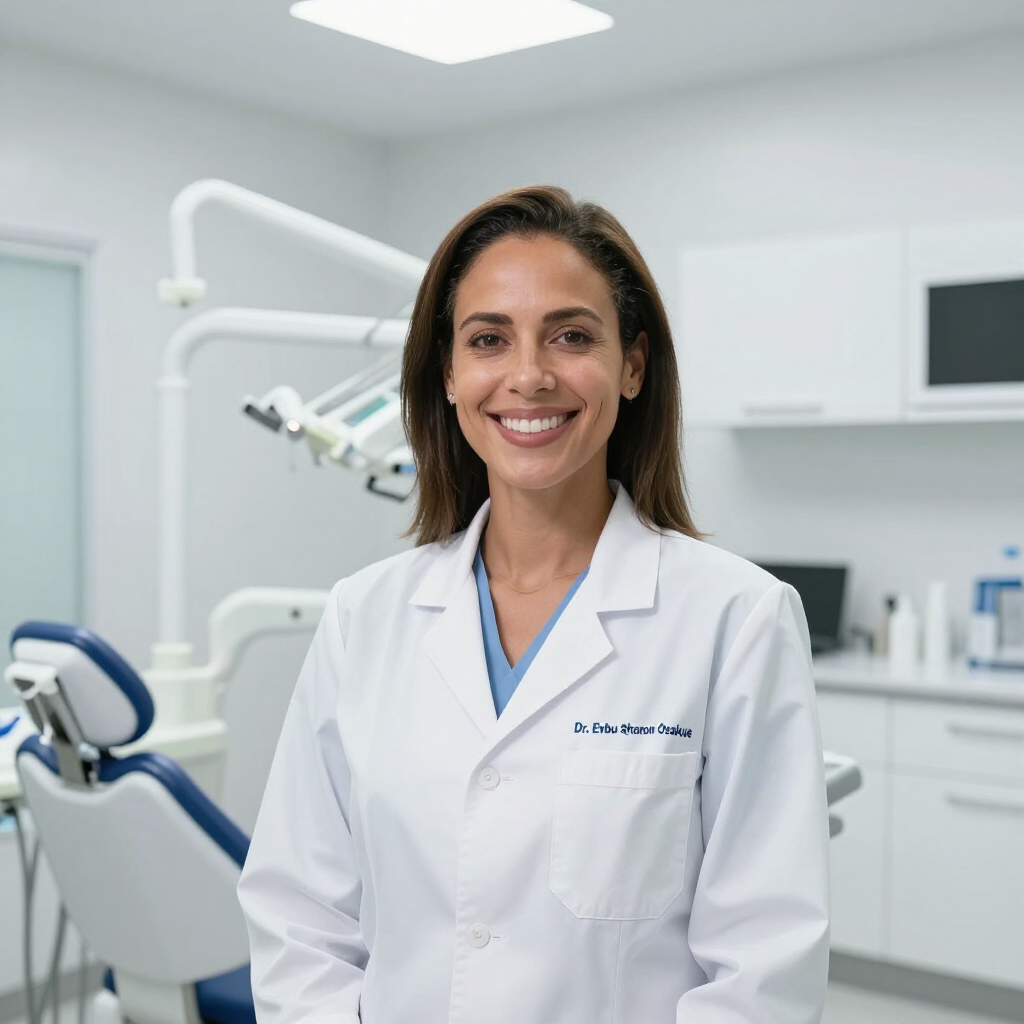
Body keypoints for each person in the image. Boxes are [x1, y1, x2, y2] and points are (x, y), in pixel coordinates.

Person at [237, 186, 830, 1024]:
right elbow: (301, 916)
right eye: (488, 340)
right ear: (447, 374)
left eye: (572, 336)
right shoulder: (362, 617)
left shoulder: (736, 619)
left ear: (632, 365)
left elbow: (763, 965)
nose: (528, 375)